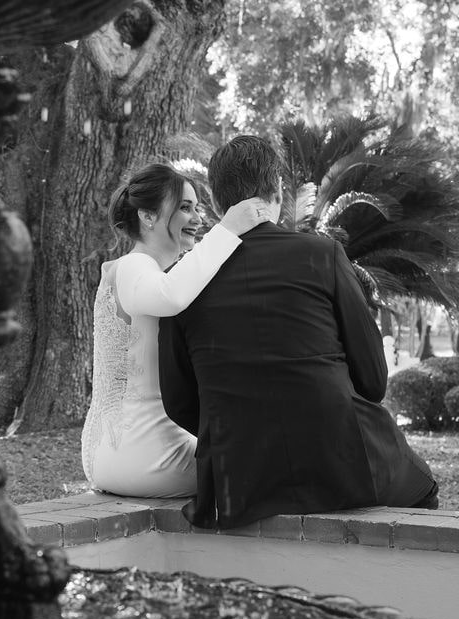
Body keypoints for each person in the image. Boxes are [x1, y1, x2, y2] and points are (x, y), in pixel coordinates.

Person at [158, 135, 438, 530]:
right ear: (277, 192)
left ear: (219, 203)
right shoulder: (323, 256)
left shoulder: (181, 281)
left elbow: (179, 401)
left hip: (238, 479)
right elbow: (373, 380)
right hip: (345, 464)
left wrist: (244, 426)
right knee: (425, 490)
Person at [81, 163, 274, 498]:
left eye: (198, 207)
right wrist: (228, 229)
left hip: (107, 457)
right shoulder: (134, 266)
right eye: (185, 208)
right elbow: (171, 296)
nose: (198, 219)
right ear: (148, 217)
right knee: (271, 462)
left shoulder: (141, 270)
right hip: (144, 460)